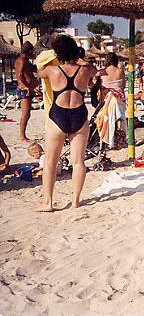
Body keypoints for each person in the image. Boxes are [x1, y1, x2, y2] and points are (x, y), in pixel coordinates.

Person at [35, 35, 98, 211]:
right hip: (79, 115)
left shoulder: (52, 70)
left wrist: (52, 57)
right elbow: (95, 70)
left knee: (50, 163)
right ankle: (76, 200)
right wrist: (80, 60)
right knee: (78, 162)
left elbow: (38, 71)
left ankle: (48, 203)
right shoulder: (85, 70)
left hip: (58, 116)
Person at [14, 41, 40, 142]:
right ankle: (22, 136)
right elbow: (19, 75)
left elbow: (28, 72)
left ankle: (23, 135)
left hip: (28, 89)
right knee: (25, 113)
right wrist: (25, 87)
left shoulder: (25, 61)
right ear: (29, 51)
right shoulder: (21, 61)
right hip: (24, 90)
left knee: (27, 113)